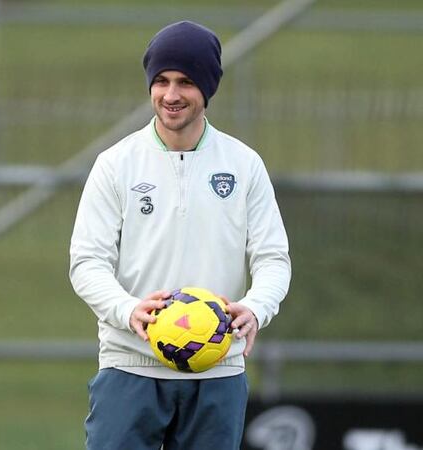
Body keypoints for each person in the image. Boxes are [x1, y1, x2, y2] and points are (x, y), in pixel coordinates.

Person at [69, 21, 291, 450]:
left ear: (207, 88)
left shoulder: (244, 165)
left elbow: (273, 259)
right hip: (130, 366)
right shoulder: (116, 164)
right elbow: (86, 262)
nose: (171, 95)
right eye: (162, 81)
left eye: (186, 82)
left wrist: (255, 307)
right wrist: (128, 309)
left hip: (218, 372)